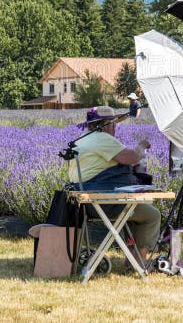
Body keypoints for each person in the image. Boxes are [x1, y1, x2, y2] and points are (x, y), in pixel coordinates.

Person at [68, 105, 160, 266]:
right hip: (103, 202)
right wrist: (142, 146)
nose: (115, 126)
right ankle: (139, 261)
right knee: (152, 215)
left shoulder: (83, 138)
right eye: (113, 123)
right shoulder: (101, 138)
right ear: (105, 124)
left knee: (134, 212)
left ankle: (132, 259)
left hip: (83, 204)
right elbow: (132, 157)